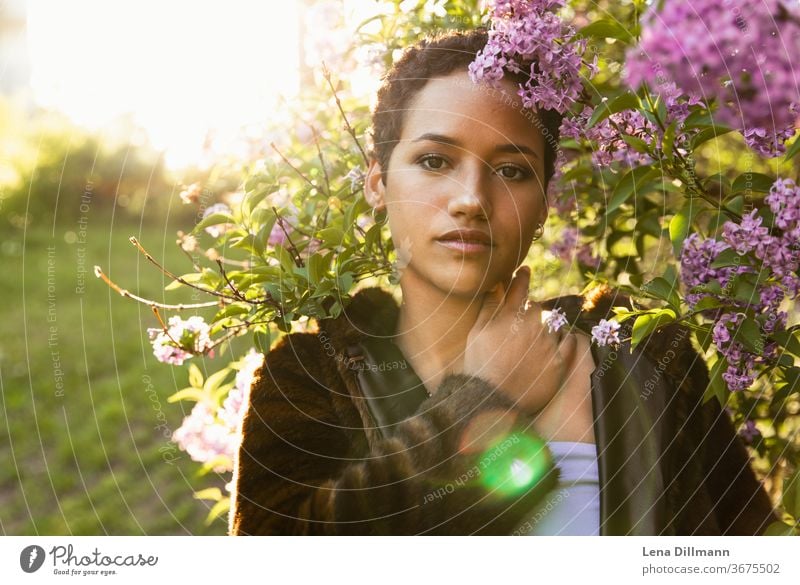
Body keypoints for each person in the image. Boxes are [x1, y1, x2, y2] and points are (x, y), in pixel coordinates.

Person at [228, 29, 777, 536]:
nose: (471, 199)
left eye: (512, 170)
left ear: (543, 203)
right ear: (378, 182)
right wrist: (480, 399)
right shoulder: (308, 378)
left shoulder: (647, 357)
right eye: (435, 160)